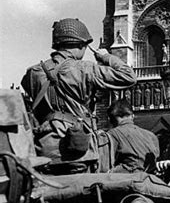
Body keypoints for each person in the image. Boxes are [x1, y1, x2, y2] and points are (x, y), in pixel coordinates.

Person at [21, 18, 137, 173]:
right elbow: (128, 76)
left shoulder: (33, 73)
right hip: (78, 149)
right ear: (82, 44)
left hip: (44, 148)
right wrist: (106, 57)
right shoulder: (85, 69)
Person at [106, 99, 160, 173]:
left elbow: (105, 166)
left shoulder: (111, 135)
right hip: (151, 180)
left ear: (110, 119)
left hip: (128, 180)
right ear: (133, 116)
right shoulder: (152, 136)